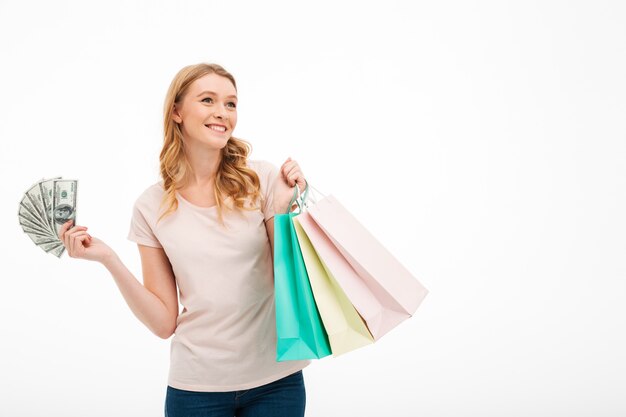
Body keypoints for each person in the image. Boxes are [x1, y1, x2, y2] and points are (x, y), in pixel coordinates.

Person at [58, 63, 310, 417]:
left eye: (231, 104)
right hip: (197, 389)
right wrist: (108, 258)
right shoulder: (150, 206)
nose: (222, 113)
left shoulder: (263, 179)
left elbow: (286, 280)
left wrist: (283, 211)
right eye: (208, 100)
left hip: (277, 381)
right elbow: (164, 323)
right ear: (176, 111)